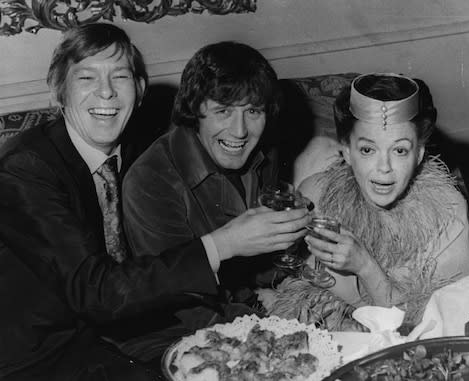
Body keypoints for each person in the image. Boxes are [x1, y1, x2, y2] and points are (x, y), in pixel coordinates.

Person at [0, 24, 276, 381]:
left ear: (140, 90)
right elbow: (96, 291)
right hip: (33, 357)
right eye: (86, 78)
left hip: (113, 342)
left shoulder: (139, 145)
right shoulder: (25, 169)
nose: (106, 92)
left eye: (121, 77)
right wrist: (224, 243)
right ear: (59, 91)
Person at [260, 73, 469, 328]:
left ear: (419, 154)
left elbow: (436, 326)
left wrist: (365, 267)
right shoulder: (315, 194)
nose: (384, 168)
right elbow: (293, 278)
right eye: (367, 150)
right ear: (347, 151)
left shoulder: (448, 212)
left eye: (400, 150)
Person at [123, 41, 311, 306]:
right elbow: (178, 302)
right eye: (223, 111)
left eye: (253, 111)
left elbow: (264, 267)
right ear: (194, 109)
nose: (240, 131)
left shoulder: (265, 154)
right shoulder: (149, 181)